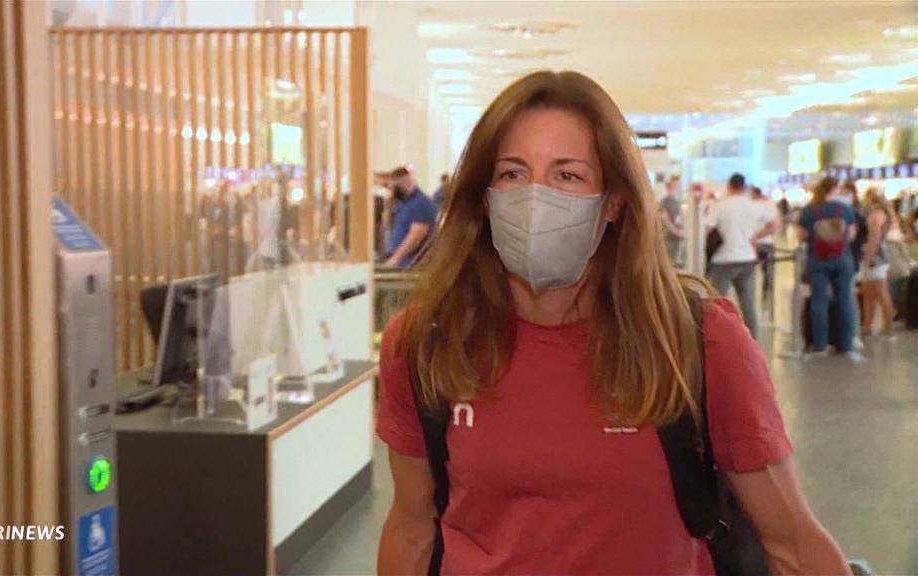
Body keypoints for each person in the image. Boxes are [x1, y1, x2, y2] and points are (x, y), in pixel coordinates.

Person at [376, 71, 848, 575]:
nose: (535, 199)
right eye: (513, 174)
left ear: (614, 201)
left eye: (567, 176)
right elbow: (411, 528)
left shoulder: (696, 341)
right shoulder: (427, 342)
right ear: (485, 196)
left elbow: (793, 543)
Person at [705, 173, 778, 338]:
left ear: (729, 186)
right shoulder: (754, 205)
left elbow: (708, 227)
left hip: (723, 259)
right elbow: (774, 223)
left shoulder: (720, 206)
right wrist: (756, 236)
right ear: (744, 187)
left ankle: (714, 337)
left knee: (716, 303)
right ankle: (752, 340)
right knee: (748, 303)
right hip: (747, 258)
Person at [797, 176, 860, 361]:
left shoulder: (809, 210)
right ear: (834, 189)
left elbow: (801, 236)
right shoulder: (845, 209)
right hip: (842, 259)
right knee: (844, 300)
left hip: (817, 259)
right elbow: (851, 235)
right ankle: (845, 344)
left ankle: (820, 345)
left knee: (818, 300)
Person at [859, 186, 897, 339]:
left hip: (876, 257)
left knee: (881, 292)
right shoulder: (884, 213)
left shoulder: (876, 215)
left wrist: (868, 257)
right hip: (879, 256)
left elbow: (874, 238)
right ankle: (867, 326)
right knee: (869, 293)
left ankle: (888, 328)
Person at [384, 166, 437, 268]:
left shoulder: (420, 203)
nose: (392, 191)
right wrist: (388, 208)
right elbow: (389, 226)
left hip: (413, 265)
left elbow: (416, 236)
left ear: (405, 182)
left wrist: (395, 259)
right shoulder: (403, 202)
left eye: (394, 188)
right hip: (401, 263)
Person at [751, 185, 781, 309]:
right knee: (766, 271)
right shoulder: (769, 203)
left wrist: (756, 236)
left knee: (759, 271)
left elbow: (774, 224)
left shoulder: (757, 205)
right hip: (765, 242)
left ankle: (763, 295)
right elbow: (776, 223)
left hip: (757, 243)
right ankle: (766, 294)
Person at [658, 176, 684, 266]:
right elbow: (665, 221)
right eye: (675, 186)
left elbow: (679, 220)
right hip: (668, 239)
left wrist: (682, 231)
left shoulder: (678, 203)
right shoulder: (663, 203)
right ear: (668, 187)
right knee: (668, 263)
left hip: (678, 239)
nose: (677, 189)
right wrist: (677, 232)